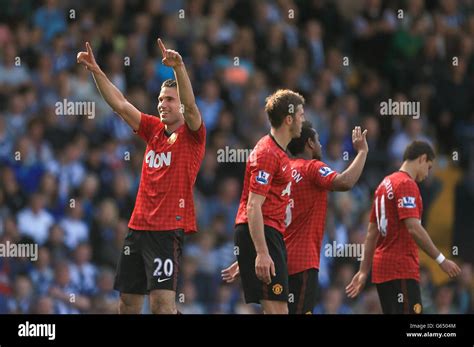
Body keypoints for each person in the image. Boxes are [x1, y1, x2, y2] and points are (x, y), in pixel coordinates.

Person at [76, 39, 205, 314]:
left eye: (169, 99)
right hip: (137, 228)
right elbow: (121, 105)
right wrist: (96, 70)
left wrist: (179, 67)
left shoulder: (193, 135)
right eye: (160, 99)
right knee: (128, 303)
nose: (162, 104)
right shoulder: (153, 129)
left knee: (160, 306)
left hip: (167, 230)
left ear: (181, 105)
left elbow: (192, 109)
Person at [223, 121, 369, 314]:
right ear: (309, 143)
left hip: (277, 260)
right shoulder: (312, 168)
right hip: (302, 263)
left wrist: (254, 254)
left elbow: (263, 216)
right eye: (318, 140)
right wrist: (362, 152)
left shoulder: (280, 170)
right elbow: (345, 182)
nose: (321, 145)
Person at [346, 141, 461, 314]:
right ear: (422, 158)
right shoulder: (406, 184)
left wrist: (363, 271)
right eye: (429, 167)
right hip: (401, 268)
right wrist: (441, 260)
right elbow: (413, 228)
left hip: (382, 271)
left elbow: (371, 233)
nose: (427, 174)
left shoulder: (383, 185)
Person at [233, 89, 305, 314]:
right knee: (278, 311)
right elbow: (253, 205)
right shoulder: (267, 153)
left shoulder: (280, 153)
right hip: (264, 232)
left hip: (269, 234)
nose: (303, 120)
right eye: (301, 115)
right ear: (289, 119)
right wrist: (261, 252)